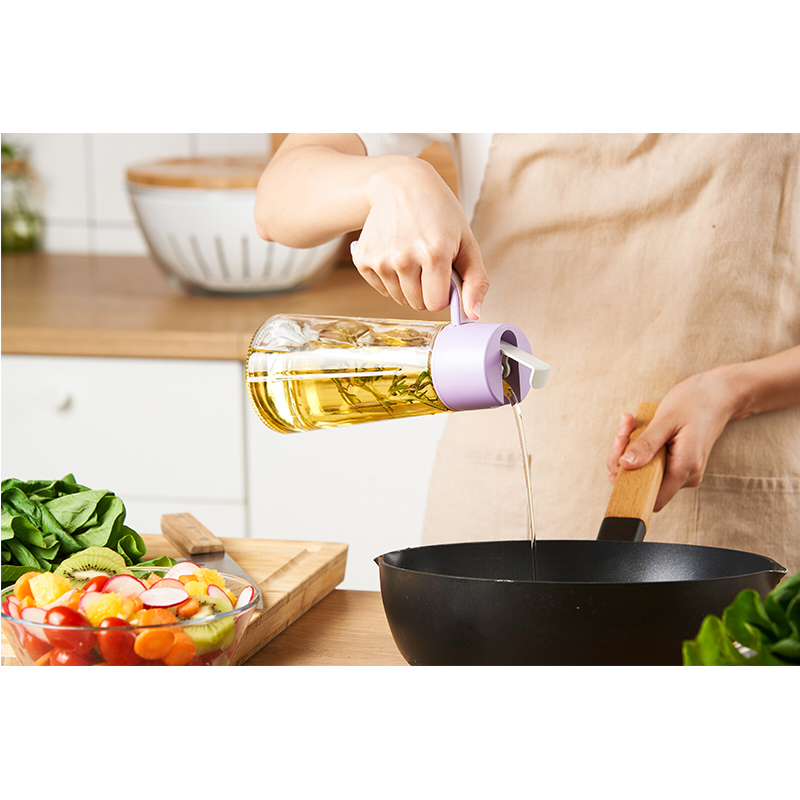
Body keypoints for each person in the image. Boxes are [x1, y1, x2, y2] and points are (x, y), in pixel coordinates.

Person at [255, 133, 800, 575]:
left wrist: (732, 392)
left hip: (738, 501)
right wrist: (390, 178)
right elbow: (278, 200)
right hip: (498, 499)